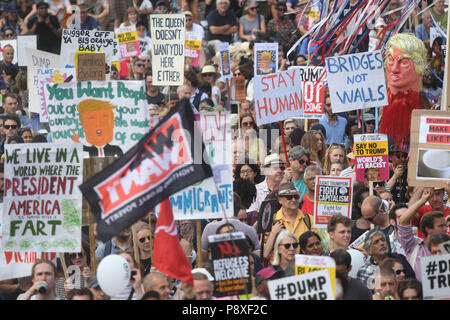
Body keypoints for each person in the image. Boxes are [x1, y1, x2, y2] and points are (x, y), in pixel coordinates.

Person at [380, 33, 427, 147]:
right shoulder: (381, 107)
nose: (395, 69)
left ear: (418, 66)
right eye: (391, 60)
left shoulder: (426, 111)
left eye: (404, 62)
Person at [399, 187, 447, 281]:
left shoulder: (447, 247)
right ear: (428, 229)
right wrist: (423, 199)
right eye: (441, 226)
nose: (445, 229)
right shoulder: (413, 246)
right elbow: (403, 221)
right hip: (418, 294)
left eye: (445, 225)